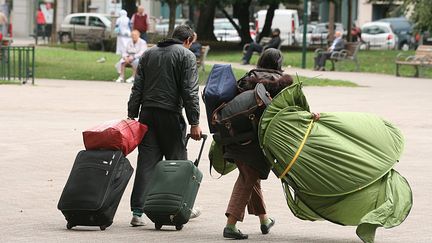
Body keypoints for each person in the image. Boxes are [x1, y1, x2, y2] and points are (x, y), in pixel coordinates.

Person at [127, 25, 202, 227]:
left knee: (146, 163)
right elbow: (190, 91)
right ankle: (179, 206)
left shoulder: (148, 53)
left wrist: (132, 114)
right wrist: (194, 122)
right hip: (170, 114)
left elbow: (137, 87)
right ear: (187, 41)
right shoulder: (186, 56)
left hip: (147, 114)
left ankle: (137, 212)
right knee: (177, 162)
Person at [223, 48, 293, 240]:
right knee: (248, 178)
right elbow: (291, 113)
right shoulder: (282, 83)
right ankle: (230, 225)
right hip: (258, 141)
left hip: (235, 136)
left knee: (250, 175)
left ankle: (264, 220)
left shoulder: (248, 78)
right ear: (278, 63)